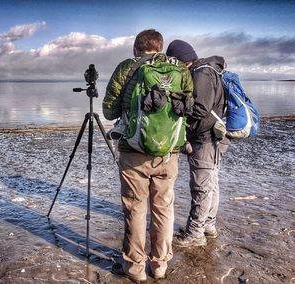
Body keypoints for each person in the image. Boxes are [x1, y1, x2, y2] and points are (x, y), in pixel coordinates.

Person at [103, 30, 193, 282]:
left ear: (136, 48)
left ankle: (135, 269)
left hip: (134, 152)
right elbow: (187, 106)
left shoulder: (126, 67)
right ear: (160, 47)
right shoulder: (180, 70)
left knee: (135, 209)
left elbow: (109, 112)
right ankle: (161, 265)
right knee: (163, 208)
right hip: (169, 152)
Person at [166, 40, 230, 247]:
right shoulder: (209, 70)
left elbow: (200, 110)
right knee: (211, 183)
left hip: (205, 139)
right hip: (213, 136)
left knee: (201, 187)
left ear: (181, 60)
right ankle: (208, 225)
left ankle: (195, 233)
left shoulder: (201, 73)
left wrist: (176, 107)